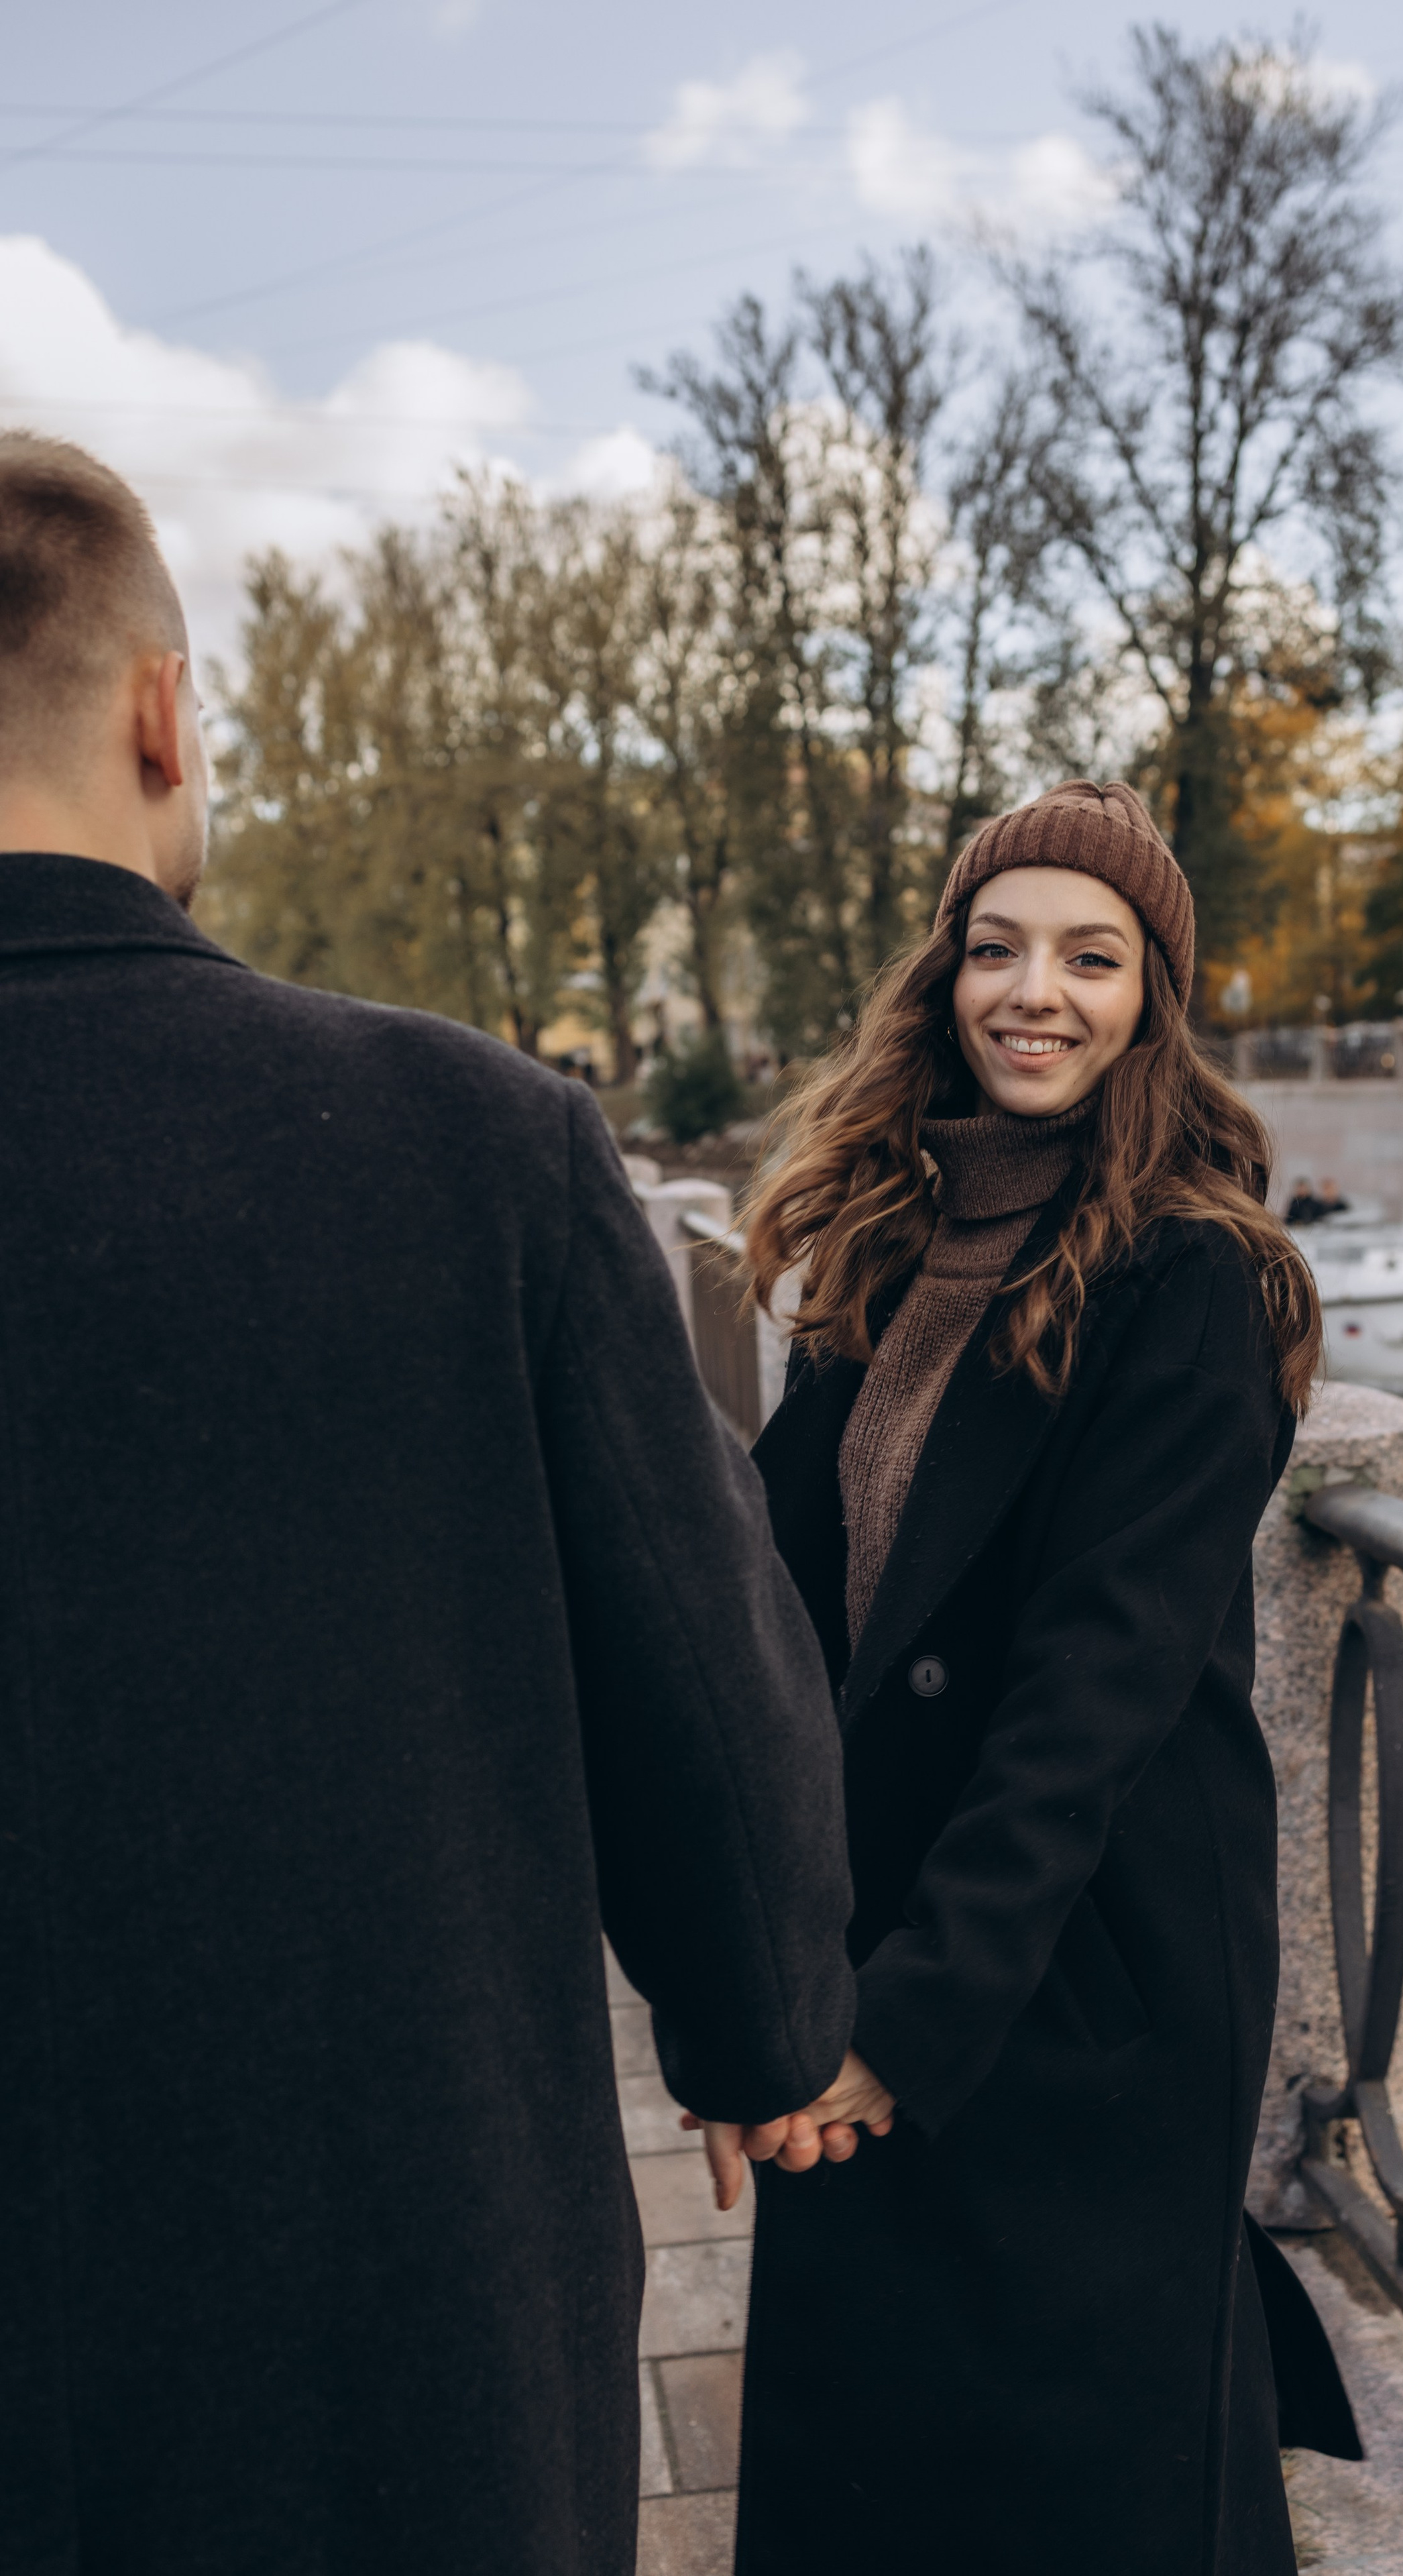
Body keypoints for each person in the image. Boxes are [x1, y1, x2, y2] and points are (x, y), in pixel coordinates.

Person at [0, 433, 856, 2574]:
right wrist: (763, 2022)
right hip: (386, 2304)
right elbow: (699, 1658)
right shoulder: (473, 1144)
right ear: (162, 713)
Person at [714, 781, 1359, 2575]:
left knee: (1076, 2466)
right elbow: (775, 1598)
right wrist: (745, 1972)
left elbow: (1100, 1693)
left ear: (1153, 997)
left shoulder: (1194, 1275)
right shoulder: (891, 1232)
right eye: (997, 949)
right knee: (875, 2447)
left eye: (1091, 958)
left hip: (1082, 1954)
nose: (1035, 994)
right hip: (885, 1911)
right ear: (945, 974)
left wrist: (902, 2022)